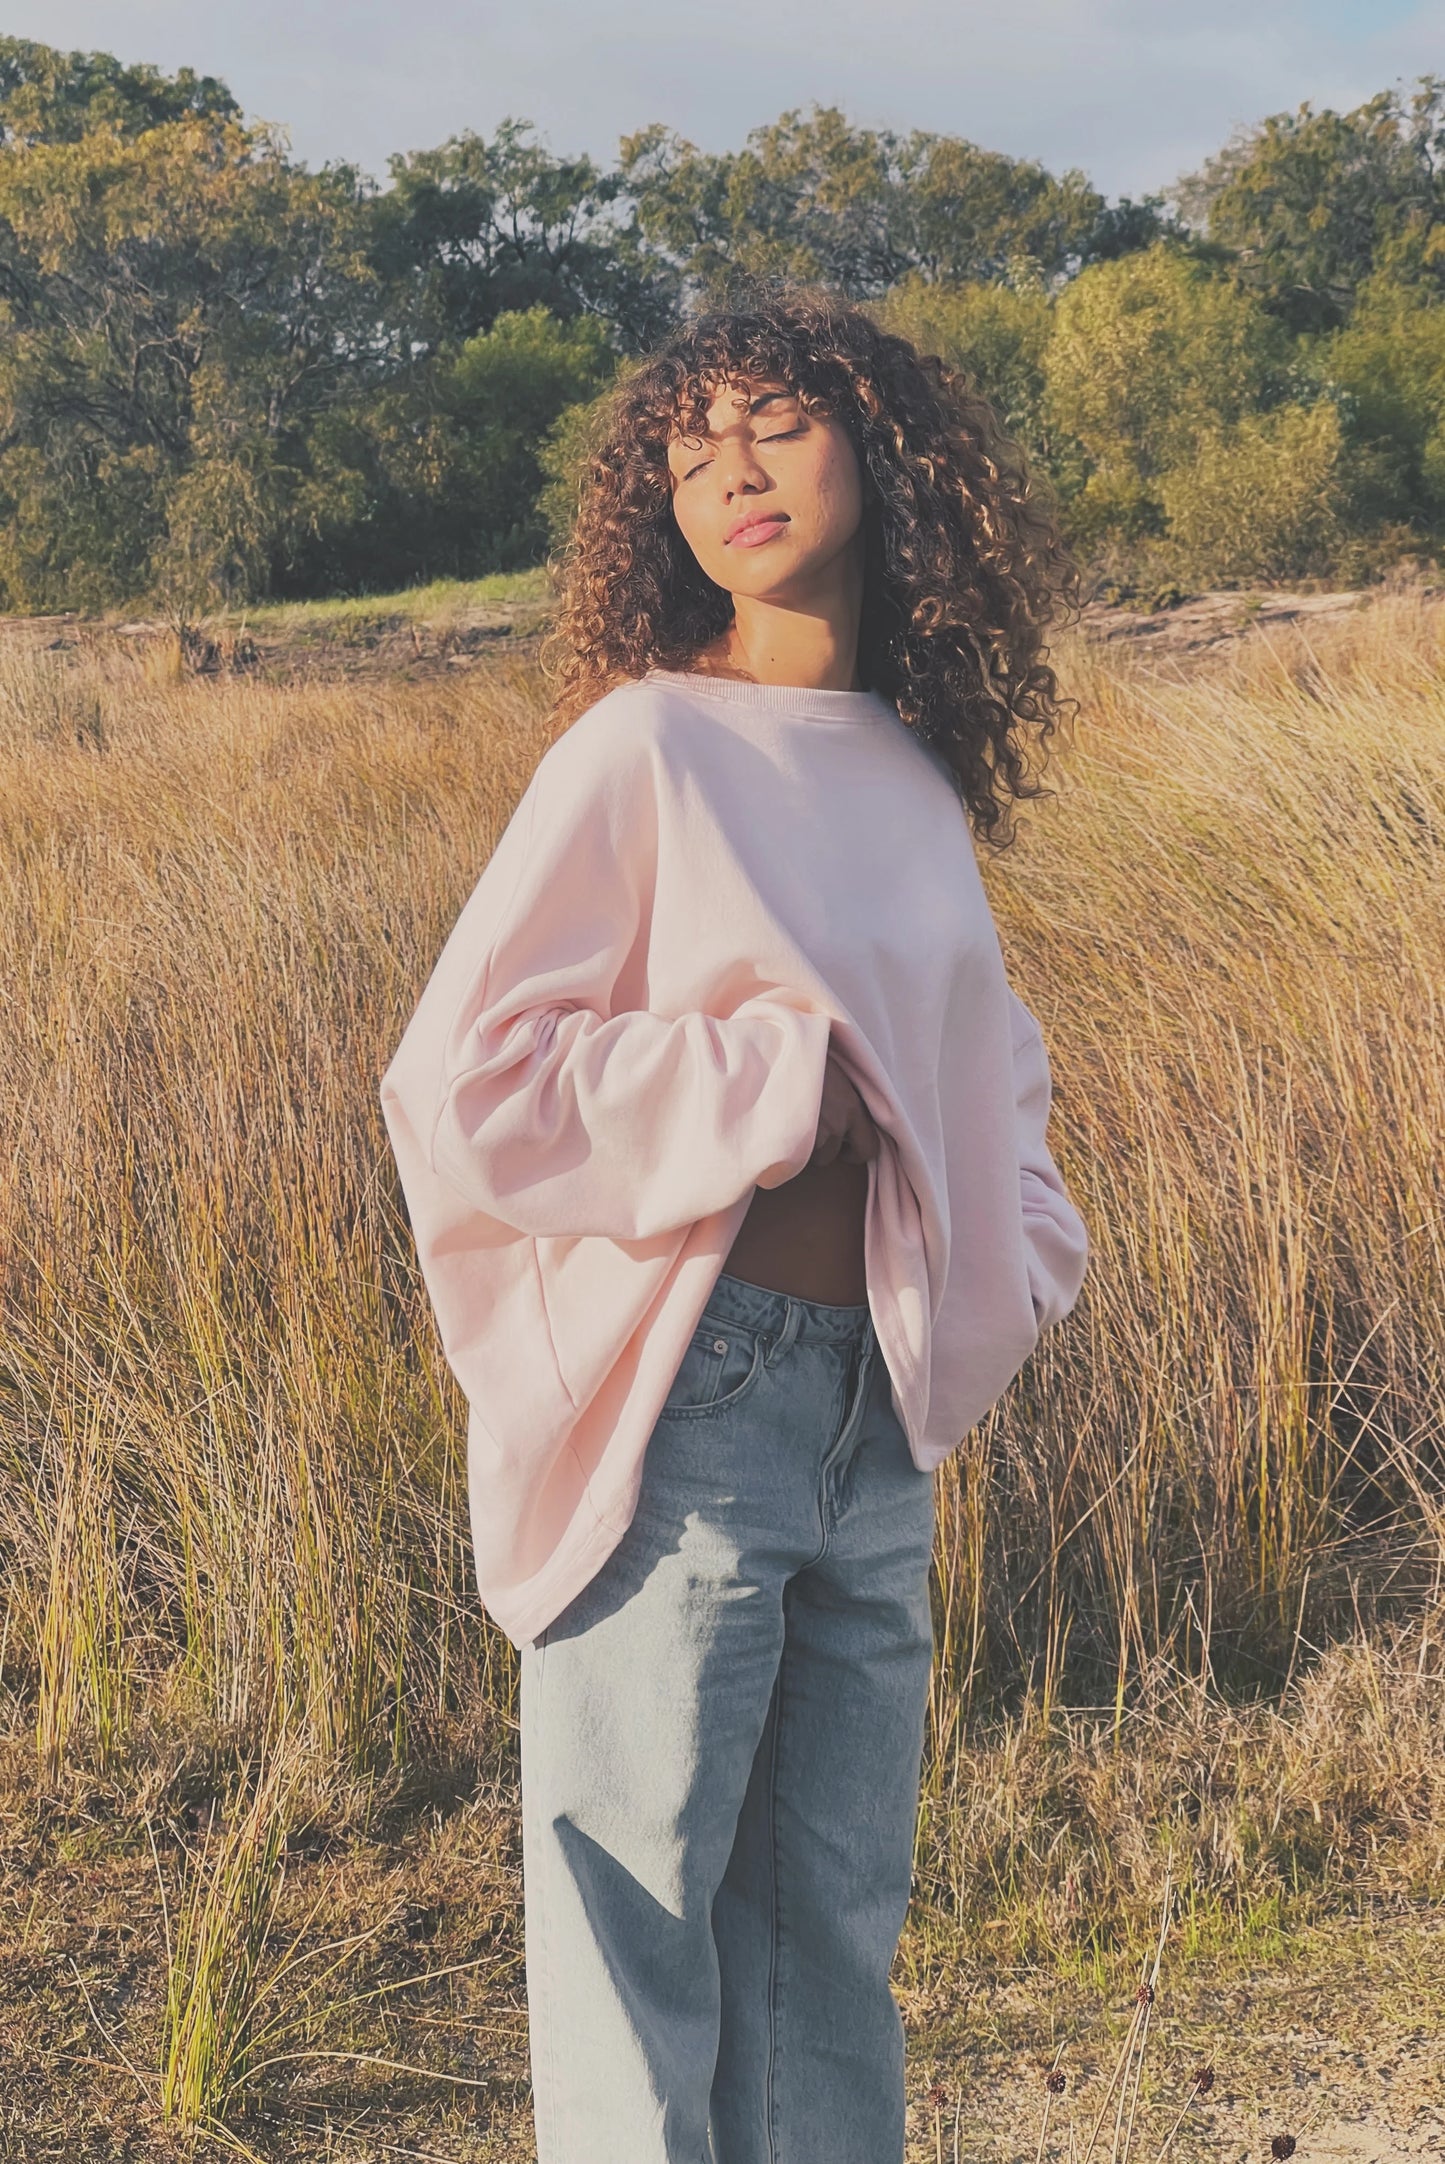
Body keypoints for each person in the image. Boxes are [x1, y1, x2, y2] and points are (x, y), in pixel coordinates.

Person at [378, 280, 1091, 2164]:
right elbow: (460, 1086)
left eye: (771, 422)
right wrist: (769, 1088)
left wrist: (1012, 1264)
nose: (729, 475)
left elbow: (992, 1083)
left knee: (825, 1944)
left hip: (872, 1417)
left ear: (880, 446)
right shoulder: (644, 748)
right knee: (633, 1930)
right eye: (687, 450)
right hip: (695, 1401)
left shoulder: (914, 776)